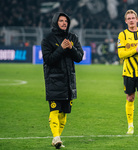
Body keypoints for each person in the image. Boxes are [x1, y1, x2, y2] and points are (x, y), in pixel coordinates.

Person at [41, 12, 84, 149]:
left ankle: (56, 138)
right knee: (55, 110)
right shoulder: (48, 39)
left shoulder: (73, 37)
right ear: (55, 22)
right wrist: (61, 48)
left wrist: (71, 48)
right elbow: (49, 60)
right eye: (61, 21)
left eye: (66, 21)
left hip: (68, 81)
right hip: (53, 80)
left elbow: (79, 57)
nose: (64, 23)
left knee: (64, 112)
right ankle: (56, 137)